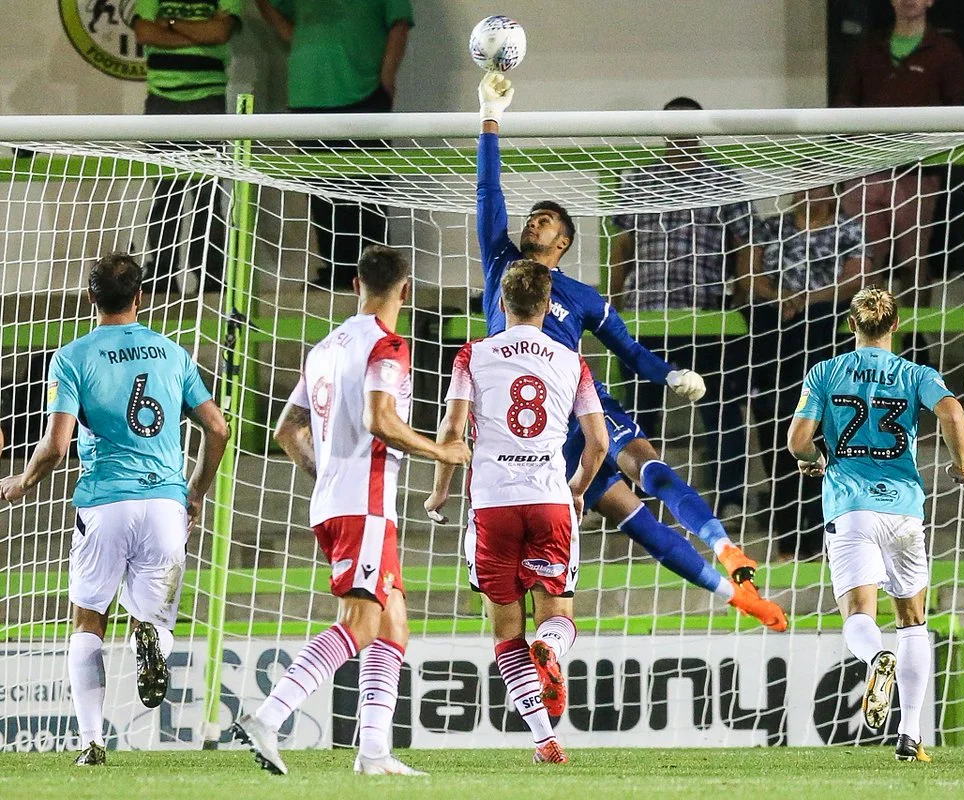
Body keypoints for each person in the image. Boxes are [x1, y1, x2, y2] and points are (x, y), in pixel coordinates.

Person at [473, 73, 785, 632]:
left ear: (563, 242)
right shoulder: (501, 265)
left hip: (578, 400)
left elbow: (631, 350)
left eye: (545, 219)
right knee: (637, 522)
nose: (532, 222)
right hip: (539, 434)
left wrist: (671, 375)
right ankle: (731, 592)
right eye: (531, 217)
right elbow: (487, 193)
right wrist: (489, 119)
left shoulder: (583, 297)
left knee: (648, 469)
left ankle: (727, 554)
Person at [232, 245, 469, 776]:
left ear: (356, 285)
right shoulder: (388, 345)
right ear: (405, 290)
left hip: (336, 502)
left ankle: (374, 751)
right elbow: (380, 420)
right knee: (360, 626)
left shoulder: (323, 348)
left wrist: (328, 476)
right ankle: (268, 718)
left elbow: (287, 430)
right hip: (365, 506)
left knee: (393, 625)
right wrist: (440, 450)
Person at [0, 254, 229, 766]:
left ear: (91, 298)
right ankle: (151, 642)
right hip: (165, 506)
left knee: (88, 621)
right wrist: (195, 492)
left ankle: (92, 742)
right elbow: (218, 428)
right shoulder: (173, 353)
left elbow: (56, 446)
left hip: (105, 503)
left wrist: (22, 481)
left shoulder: (72, 357)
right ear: (140, 297)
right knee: (155, 619)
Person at [426, 260, 608, 764]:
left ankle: (543, 739)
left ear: (502, 303)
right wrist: (577, 489)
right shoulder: (572, 360)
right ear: (548, 305)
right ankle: (550, 647)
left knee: (507, 633)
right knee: (558, 617)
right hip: (549, 499)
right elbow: (598, 442)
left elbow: (452, 432)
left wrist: (439, 492)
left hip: (492, 505)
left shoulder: (473, 355)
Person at [787, 286, 964, 762]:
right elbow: (952, 411)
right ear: (895, 325)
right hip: (904, 509)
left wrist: (814, 460)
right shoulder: (916, 374)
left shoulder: (825, 372)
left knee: (859, 614)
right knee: (913, 621)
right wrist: (962, 466)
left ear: (851, 325)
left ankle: (876, 658)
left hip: (851, 508)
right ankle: (910, 735)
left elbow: (797, 440)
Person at [608, 96, 754, 516]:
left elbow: (742, 246)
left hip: (704, 315)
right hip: (646, 316)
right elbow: (623, 247)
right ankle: (633, 499)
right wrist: (613, 305)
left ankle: (730, 498)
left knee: (720, 408)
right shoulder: (638, 181)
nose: (681, 135)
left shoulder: (726, 181)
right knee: (638, 414)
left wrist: (740, 301)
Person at [747, 184, 870, 560]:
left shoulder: (849, 228)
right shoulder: (772, 227)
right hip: (776, 333)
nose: (810, 191)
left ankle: (822, 541)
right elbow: (749, 276)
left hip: (822, 331)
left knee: (823, 447)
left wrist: (808, 301)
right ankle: (788, 543)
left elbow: (856, 280)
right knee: (778, 447)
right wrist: (782, 298)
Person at [255, 0, 413, 290]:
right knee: (321, 193)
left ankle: (377, 280)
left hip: (364, 94)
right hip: (308, 96)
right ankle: (338, 273)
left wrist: (386, 79)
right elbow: (280, 18)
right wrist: (301, 41)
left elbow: (399, 25)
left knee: (367, 193)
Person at [835, 0, 964, 331]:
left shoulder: (945, 52)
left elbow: (960, 109)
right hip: (867, 169)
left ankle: (916, 338)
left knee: (914, 262)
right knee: (865, 261)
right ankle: (870, 334)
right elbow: (845, 100)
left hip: (917, 173)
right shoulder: (869, 48)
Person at [132, 0, 242, 296]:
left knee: (208, 195)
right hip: (161, 102)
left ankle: (211, 274)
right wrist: (198, 35)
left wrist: (169, 25)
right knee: (166, 194)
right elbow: (144, 32)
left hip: (208, 102)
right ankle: (162, 273)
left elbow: (220, 33)